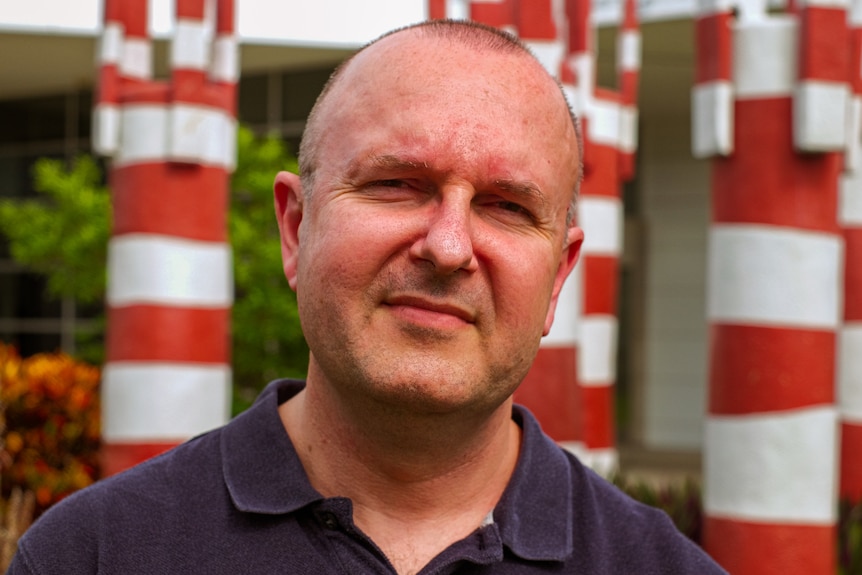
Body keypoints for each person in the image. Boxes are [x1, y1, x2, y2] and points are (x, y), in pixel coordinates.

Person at [8, 19, 727, 575]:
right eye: (397, 185)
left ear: (558, 276)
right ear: (296, 228)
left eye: (507, 206)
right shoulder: (95, 555)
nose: (448, 246)